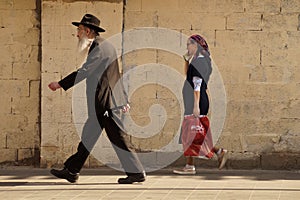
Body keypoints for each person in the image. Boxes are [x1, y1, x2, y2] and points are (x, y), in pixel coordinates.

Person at [48, 14, 146, 184]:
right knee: (88, 137)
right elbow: (116, 74)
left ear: (87, 31)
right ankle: (72, 170)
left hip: (106, 104)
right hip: (104, 103)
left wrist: (60, 84)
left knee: (118, 138)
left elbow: (85, 71)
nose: (77, 34)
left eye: (79, 30)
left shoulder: (99, 47)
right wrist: (124, 99)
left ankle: (136, 172)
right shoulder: (104, 46)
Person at [173, 34, 227, 175]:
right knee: (192, 133)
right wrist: (186, 61)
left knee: (193, 133)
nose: (187, 47)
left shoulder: (200, 62)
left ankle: (195, 163)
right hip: (193, 101)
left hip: (196, 102)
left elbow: (197, 84)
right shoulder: (197, 61)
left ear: (195, 45)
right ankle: (209, 155)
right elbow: (189, 77)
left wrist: (196, 106)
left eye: (189, 45)